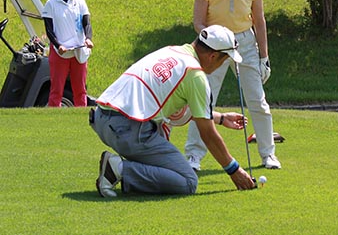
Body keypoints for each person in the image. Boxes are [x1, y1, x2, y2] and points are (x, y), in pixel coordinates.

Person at [90, 24, 257, 197]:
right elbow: (207, 134)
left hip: (102, 119)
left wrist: (220, 118)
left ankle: (120, 170)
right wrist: (234, 170)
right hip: (128, 129)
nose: (221, 65)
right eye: (223, 60)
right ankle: (119, 169)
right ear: (213, 56)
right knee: (187, 181)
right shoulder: (195, 75)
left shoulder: (171, 51)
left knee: (164, 151)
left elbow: (181, 111)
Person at [184, 0, 281, 171]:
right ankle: (193, 156)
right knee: (204, 100)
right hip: (212, 47)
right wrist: (212, 39)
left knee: (257, 100)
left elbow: (259, 21)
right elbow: (198, 22)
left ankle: (268, 154)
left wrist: (264, 57)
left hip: (245, 44)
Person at [42, 0, 93, 107]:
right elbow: (49, 29)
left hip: (78, 50)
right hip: (61, 52)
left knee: (80, 90)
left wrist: (88, 38)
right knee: (56, 90)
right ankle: (53, 120)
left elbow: (86, 23)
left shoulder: (80, 3)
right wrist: (58, 45)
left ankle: (80, 119)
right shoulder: (50, 4)